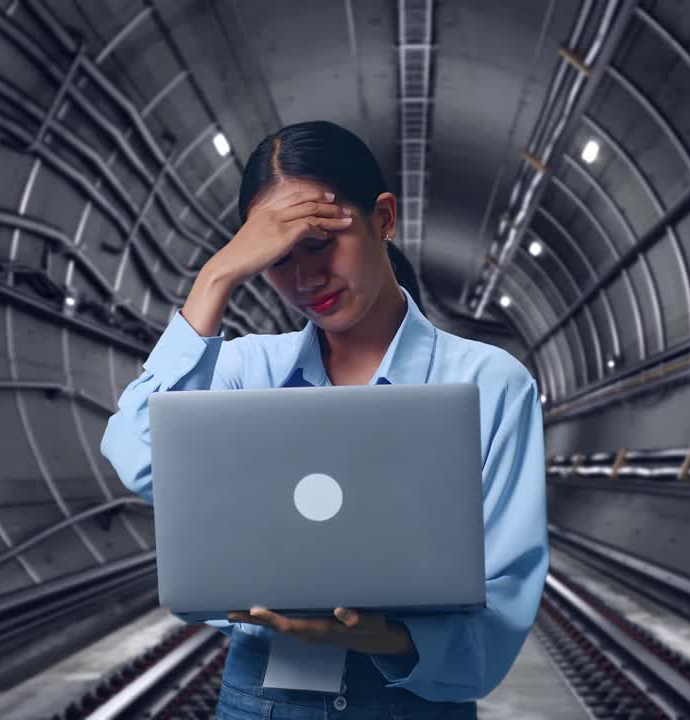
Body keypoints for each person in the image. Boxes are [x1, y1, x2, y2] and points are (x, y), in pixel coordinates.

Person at [101, 120, 547, 720]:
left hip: (411, 706)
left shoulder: (490, 385)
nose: (305, 280)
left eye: (320, 244)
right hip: (260, 704)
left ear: (383, 219)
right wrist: (215, 279)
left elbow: (502, 610)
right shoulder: (244, 372)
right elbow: (137, 453)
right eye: (276, 260)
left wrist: (382, 637)